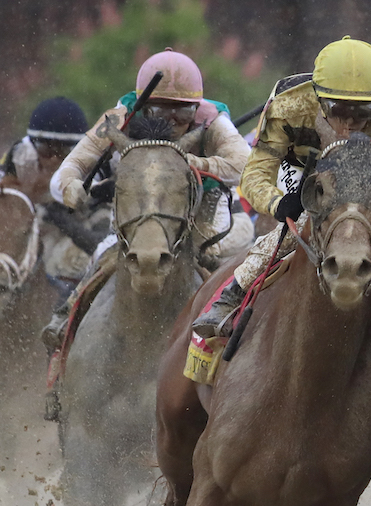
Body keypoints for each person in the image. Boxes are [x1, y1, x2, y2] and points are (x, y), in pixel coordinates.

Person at [192, 37, 371, 348]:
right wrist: (277, 203)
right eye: (339, 109)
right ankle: (231, 294)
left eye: (363, 111)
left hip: (368, 172)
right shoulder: (289, 106)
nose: (350, 121)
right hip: (304, 167)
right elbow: (255, 173)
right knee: (300, 226)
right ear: (318, 99)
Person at [42, 49, 253, 351]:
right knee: (105, 251)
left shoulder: (212, 119)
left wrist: (195, 163)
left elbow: (246, 166)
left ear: (197, 108)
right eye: (159, 113)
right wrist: (71, 187)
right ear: (142, 107)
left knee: (214, 254)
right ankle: (67, 316)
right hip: (140, 202)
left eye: (183, 114)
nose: (172, 123)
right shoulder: (119, 117)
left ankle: (232, 324)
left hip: (203, 206)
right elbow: (68, 169)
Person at [0, 97, 104, 295]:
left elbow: (100, 242)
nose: (55, 159)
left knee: (72, 263)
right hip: (29, 222)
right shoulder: (18, 157)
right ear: (32, 145)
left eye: (63, 151)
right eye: (47, 150)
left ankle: (66, 302)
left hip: (77, 225)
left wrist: (64, 221)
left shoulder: (93, 169)